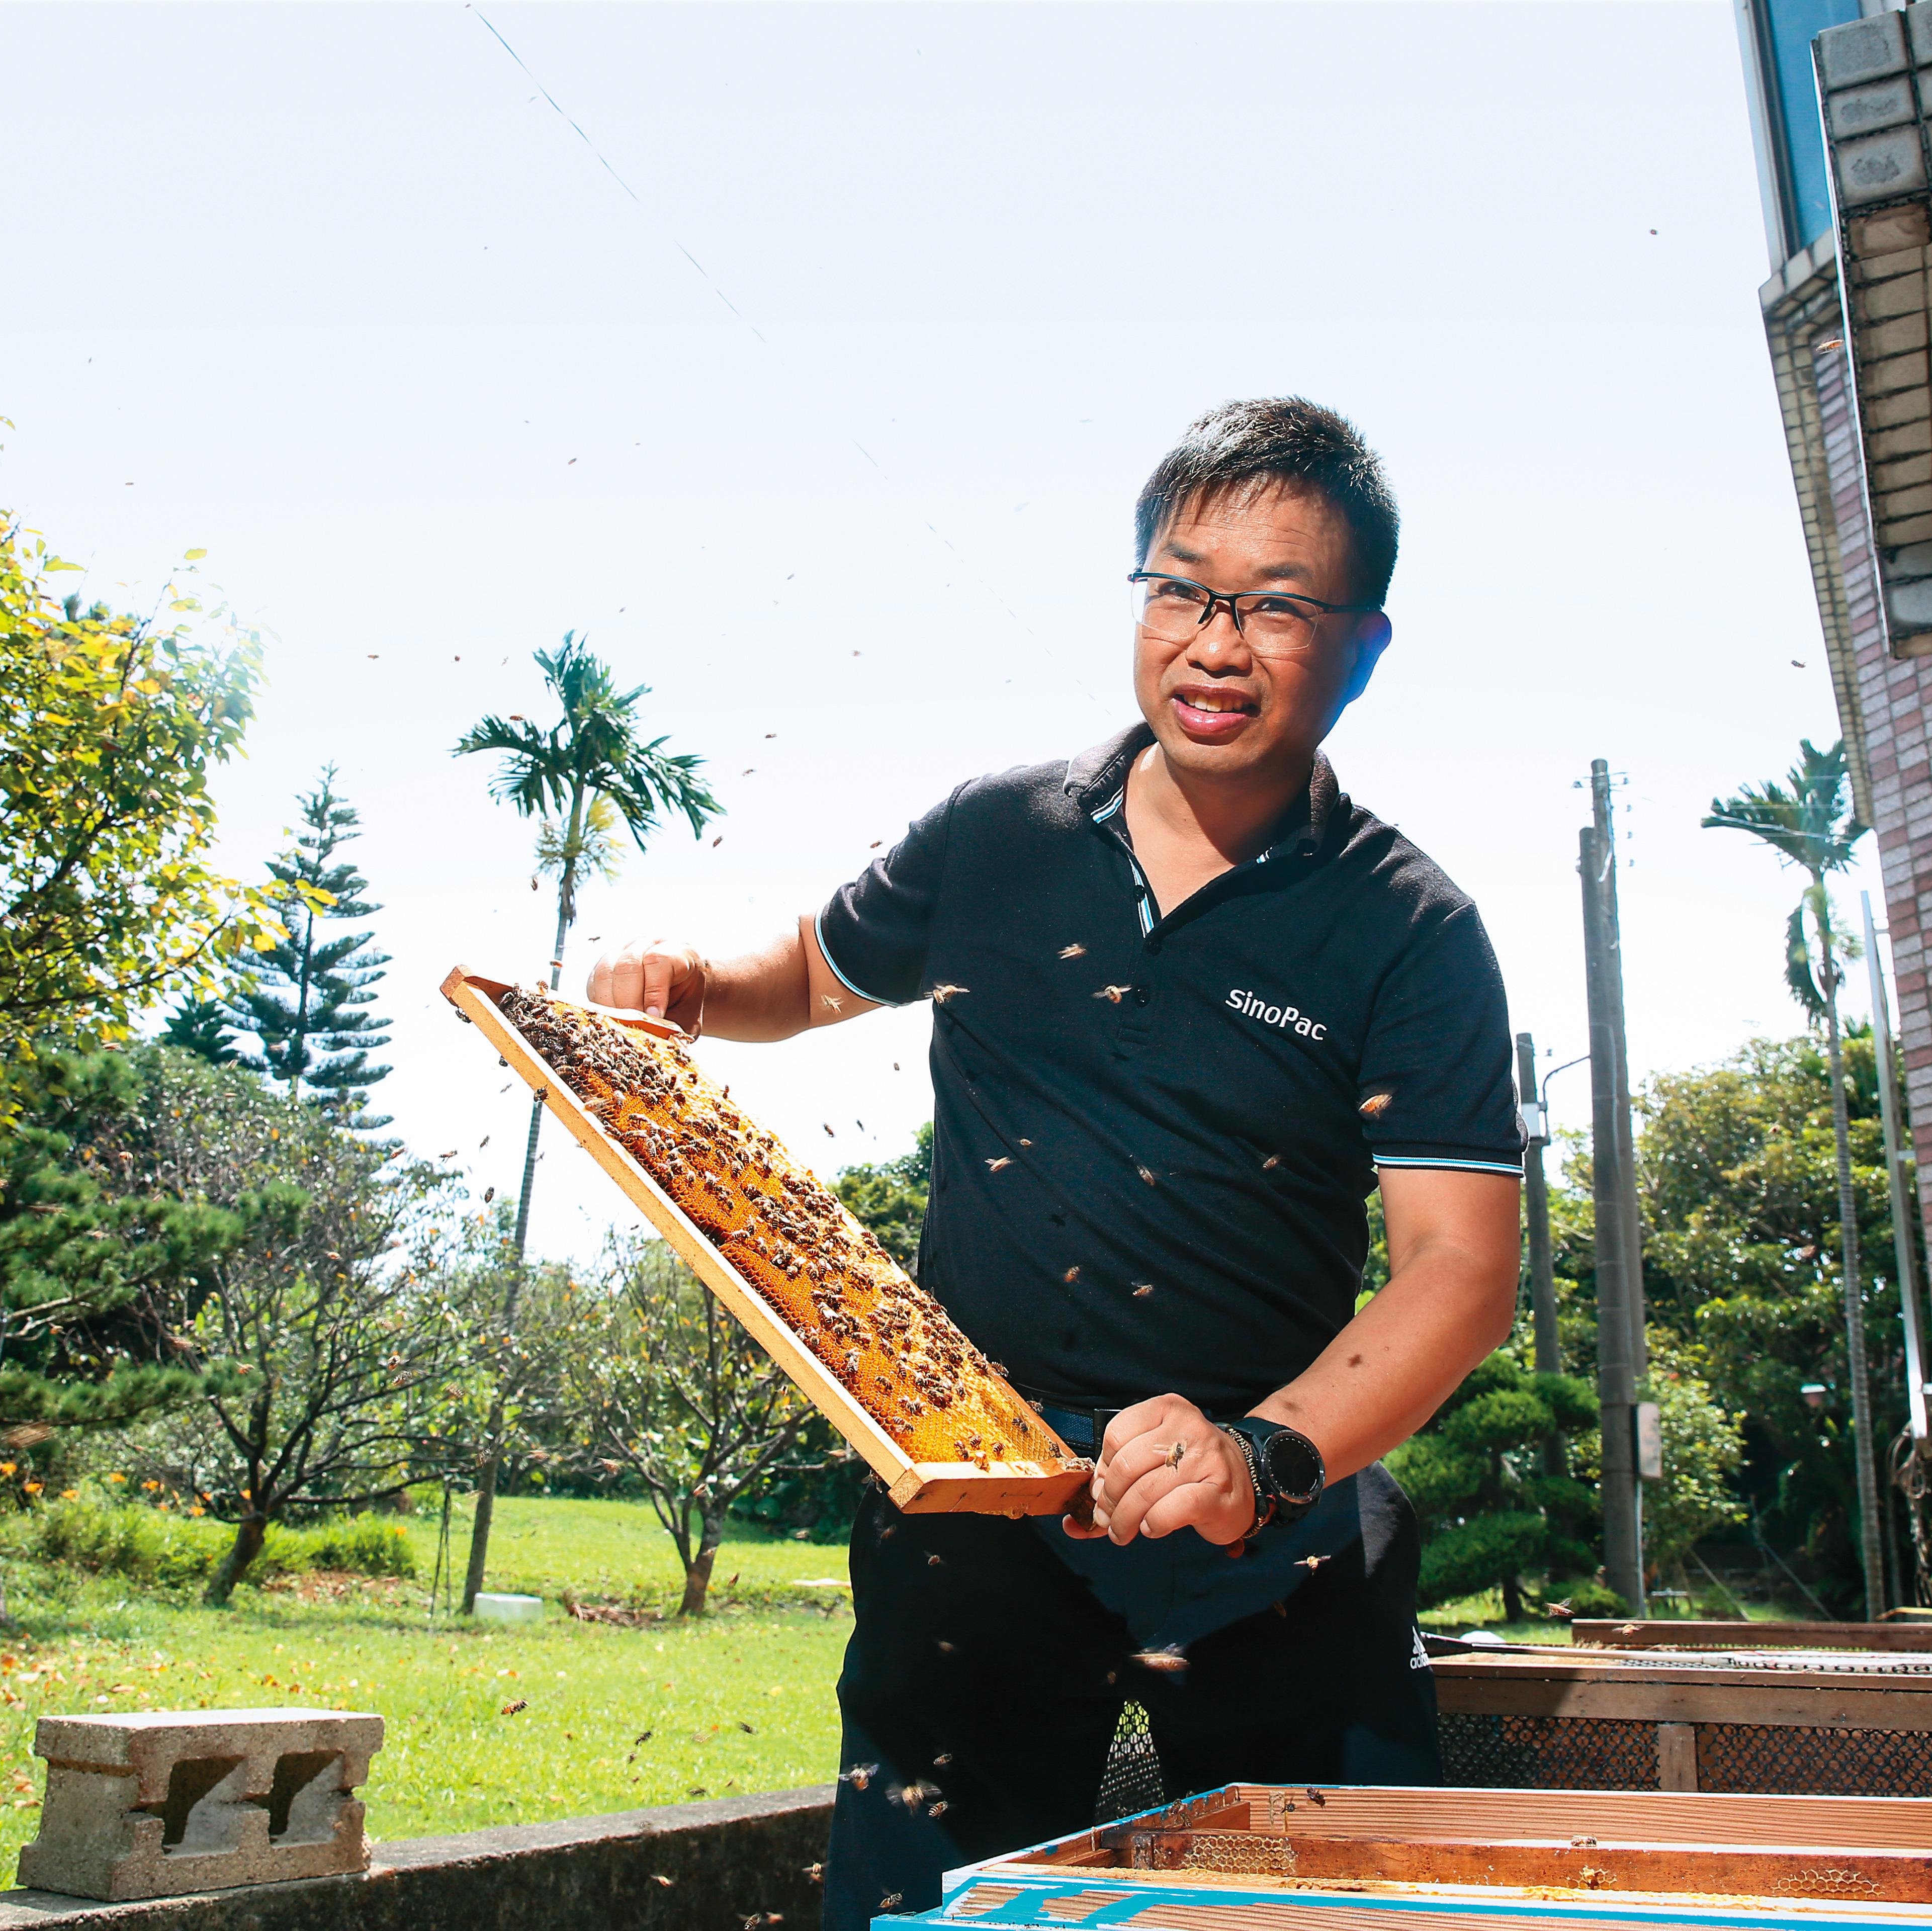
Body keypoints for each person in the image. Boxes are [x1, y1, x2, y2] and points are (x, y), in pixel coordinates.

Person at [587, 398, 1523, 1927]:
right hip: (975, 1501)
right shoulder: (998, 833)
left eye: (1278, 605)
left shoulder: (1409, 926)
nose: (1216, 643)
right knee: (921, 1909)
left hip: (1269, 1523)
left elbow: (1459, 1272)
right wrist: (695, 981)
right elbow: (815, 974)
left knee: (1328, 1910)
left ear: (1365, 644)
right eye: (1181, 587)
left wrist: (1261, 1457)